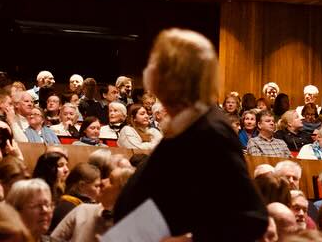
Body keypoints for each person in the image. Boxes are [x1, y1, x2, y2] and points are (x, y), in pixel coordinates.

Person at [111, 29, 267, 239]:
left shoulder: (211, 131)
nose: (149, 71)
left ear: (174, 76)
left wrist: (182, 239)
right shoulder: (185, 124)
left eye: (156, 63)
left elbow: (250, 216)